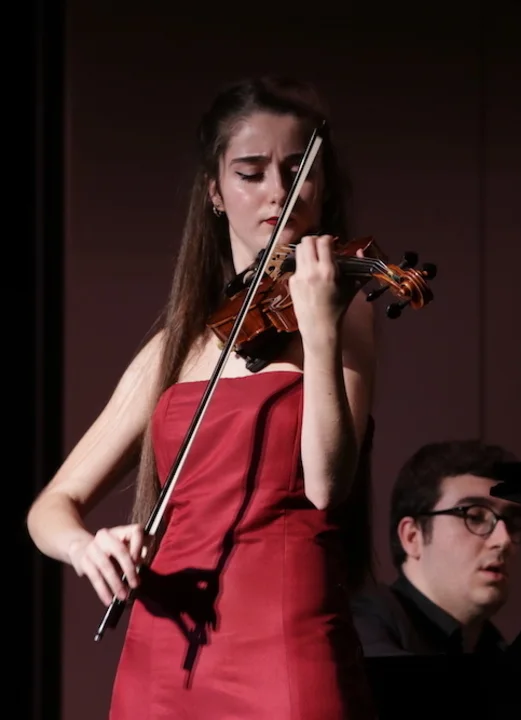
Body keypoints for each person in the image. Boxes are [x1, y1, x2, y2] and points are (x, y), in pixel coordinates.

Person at [25, 76, 378, 719]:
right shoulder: (178, 346)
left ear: (322, 187)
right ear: (215, 191)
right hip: (164, 647)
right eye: (251, 172)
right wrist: (84, 547)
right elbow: (51, 507)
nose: (278, 191)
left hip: (284, 635)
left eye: (297, 171)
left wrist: (321, 330)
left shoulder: (342, 314)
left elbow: (329, 485)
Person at [352, 439, 521, 656]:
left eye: (513, 522)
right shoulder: (362, 626)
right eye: (475, 517)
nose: (503, 540)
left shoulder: (499, 650)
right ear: (412, 537)